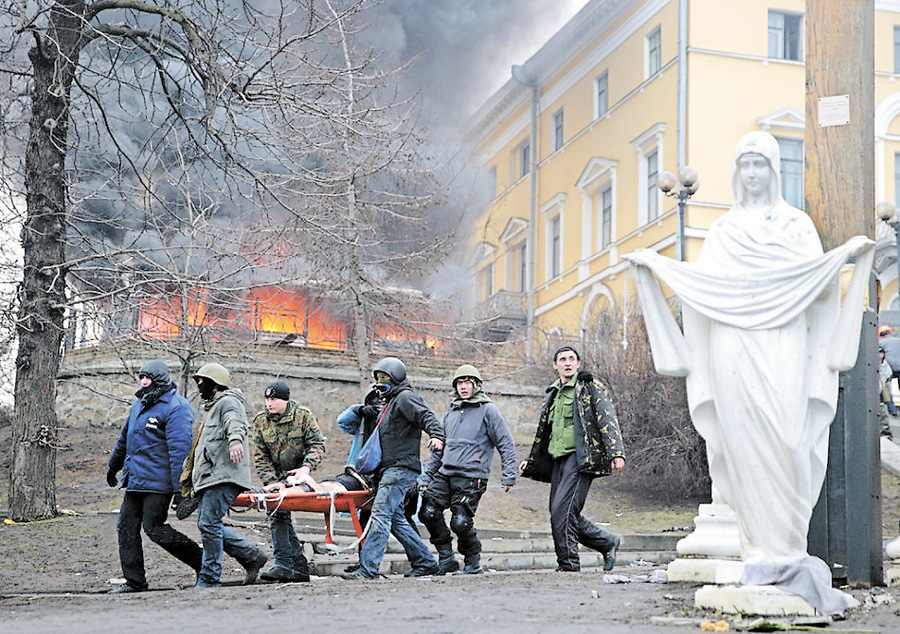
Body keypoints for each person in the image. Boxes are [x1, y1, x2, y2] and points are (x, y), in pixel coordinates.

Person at [625, 131, 873, 614]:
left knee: (786, 438)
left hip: (783, 342)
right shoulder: (723, 232)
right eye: (746, 166)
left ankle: (787, 551)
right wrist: (656, 268)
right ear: (738, 174)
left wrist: (844, 259)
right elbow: (705, 291)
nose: (753, 174)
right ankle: (758, 552)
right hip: (732, 347)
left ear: (776, 171)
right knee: (743, 446)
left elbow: (815, 287)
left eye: (761, 165)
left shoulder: (798, 227)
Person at [519, 346, 625, 573]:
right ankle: (606, 542)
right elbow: (545, 432)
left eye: (571, 359)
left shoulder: (589, 387)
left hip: (580, 458)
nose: (567, 363)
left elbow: (607, 417)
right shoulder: (553, 393)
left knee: (562, 511)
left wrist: (616, 452)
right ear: (555, 365)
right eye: (562, 359)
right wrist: (532, 460)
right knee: (562, 512)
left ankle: (568, 564)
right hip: (558, 459)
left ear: (578, 364)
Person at [341, 357, 445, 580]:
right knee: (396, 519)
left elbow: (426, 416)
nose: (380, 382)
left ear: (396, 377)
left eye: (384, 377)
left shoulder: (405, 398)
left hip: (399, 469)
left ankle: (368, 569)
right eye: (377, 378)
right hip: (391, 470)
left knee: (379, 515)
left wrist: (437, 435)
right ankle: (426, 562)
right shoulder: (390, 402)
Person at [106, 360, 202, 593]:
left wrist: (181, 489)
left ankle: (204, 564)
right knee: (125, 528)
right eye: (141, 378)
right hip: (136, 480)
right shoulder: (139, 404)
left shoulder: (177, 407)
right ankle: (135, 582)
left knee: (155, 529)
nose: (143, 382)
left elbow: (181, 451)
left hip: (159, 483)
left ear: (159, 379)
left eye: (148, 378)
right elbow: (124, 439)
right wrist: (113, 466)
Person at [418, 364, 517, 575]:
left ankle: (473, 561)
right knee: (428, 511)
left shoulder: (488, 410)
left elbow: (505, 443)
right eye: (460, 383)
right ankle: (446, 558)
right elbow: (439, 448)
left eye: (468, 383)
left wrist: (509, 475)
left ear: (476, 385)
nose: (464, 387)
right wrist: (427, 478)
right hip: (445, 472)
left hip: (472, 476)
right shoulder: (451, 411)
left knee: (460, 521)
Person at [180, 362, 268, 588]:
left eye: (203, 382)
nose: (199, 386)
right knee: (208, 524)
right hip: (212, 476)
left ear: (216, 383)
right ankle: (251, 556)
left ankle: (210, 578)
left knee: (208, 524)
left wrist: (236, 441)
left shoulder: (228, 402)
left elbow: (235, 423)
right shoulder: (212, 408)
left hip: (223, 475)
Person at [251, 380, 326, 583]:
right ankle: (295, 567)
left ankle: (286, 565)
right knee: (278, 514)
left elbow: (317, 445)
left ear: (285, 400)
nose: (269, 403)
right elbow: (260, 456)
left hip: (300, 477)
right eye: (267, 399)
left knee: (279, 517)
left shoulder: (302, 416)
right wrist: (271, 482)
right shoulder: (261, 421)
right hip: (276, 479)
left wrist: (306, 468)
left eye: (274, 399)